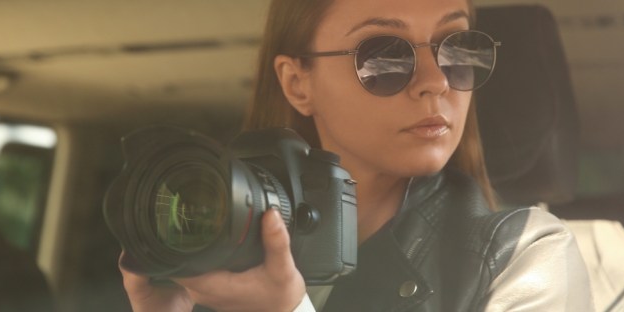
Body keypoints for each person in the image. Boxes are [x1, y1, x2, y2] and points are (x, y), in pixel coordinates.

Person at [119, 0, 594, 310]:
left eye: (458, 47)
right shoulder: (216, 265)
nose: (436, 80)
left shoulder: (525, 256)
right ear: (297, 83)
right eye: (384, 56)